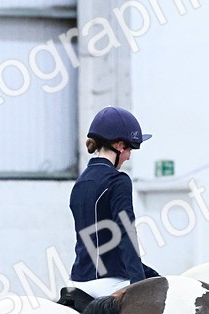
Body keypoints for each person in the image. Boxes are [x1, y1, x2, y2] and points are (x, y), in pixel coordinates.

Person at [67, 106, 158, 302]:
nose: (129, 156)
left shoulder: (80, 182)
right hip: (109, 281)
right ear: (119, 146)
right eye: (129, 149)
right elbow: (126, 232)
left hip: (78, 279)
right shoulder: (118, 181)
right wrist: (139, 282)